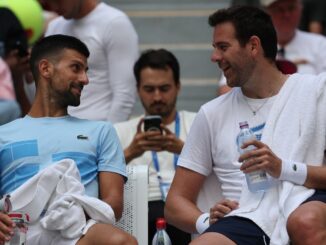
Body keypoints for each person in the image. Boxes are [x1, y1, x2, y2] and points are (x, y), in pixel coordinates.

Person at [165, 5, 326, 245]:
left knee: (305, 220)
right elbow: (174, 203)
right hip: (245, 216)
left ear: (253, 46)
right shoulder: (212, 113)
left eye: (223, 47)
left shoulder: (314, 93)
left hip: (306, 198)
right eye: (214, 48)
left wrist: (282, 167)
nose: (214, 57)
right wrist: (204, 220)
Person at [0, 34, 137, 245]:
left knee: (120, 242)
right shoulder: (3, 135)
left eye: (86, 71)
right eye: (76, 68)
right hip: (17, 235)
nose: (85, 79)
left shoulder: (101, 131)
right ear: (45, 69)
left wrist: (67, 218)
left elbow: (113, 205)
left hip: (76, 233)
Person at [114, 49, 195, 244]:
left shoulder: (198, 123)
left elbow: (222, 169)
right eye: (149, 89)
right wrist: (131, 152)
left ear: (178, 87)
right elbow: (101, 177)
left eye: (164, 88)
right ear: (138, 90)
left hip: (188, 207)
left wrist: (184, 150)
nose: (157, 97)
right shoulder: (119, 131)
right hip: (142, 210)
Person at [44, 0, 139, 123]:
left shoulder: (115, 22)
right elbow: (43, 90)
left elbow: (125, 95)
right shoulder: (55, 26)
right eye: (46, 2)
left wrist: (107, 136)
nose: (53, 6)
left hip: (96, 128)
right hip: (56, 129)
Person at [218, 0, 326, 95]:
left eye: (291, 8)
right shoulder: (252, 46)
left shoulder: (320, 44)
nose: (286, 14)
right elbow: (226, 90)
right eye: (279, 9)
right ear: (266, 13)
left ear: (300, 10)